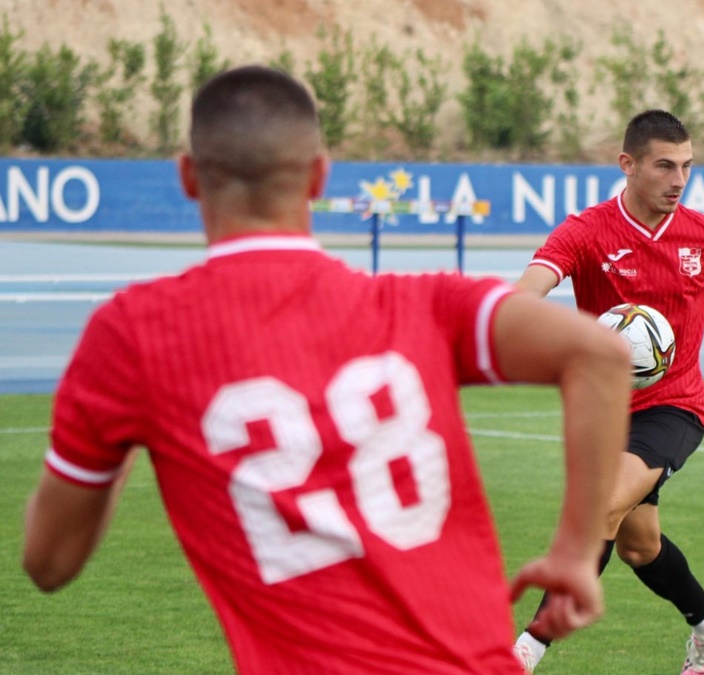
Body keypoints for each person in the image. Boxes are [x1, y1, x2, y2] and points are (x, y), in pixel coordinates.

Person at [22, 65, 633, 673]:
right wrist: (575, 552)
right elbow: (601, 354)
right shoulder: (422, 304)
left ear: (187, 177)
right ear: (320, 174)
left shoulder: (133, 335)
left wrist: (124, 432)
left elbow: (49, 564)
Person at [510, 109, 704, 673]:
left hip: (675, 407)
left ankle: (526, 650)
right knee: (638, 545)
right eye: (665, 166)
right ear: (628, 165)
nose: (678, 180)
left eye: (688, 167)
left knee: (599, 504)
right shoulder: (587, 230)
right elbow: (532, 286)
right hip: (603, 411)